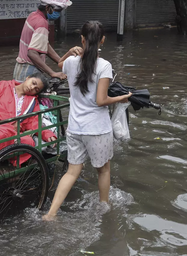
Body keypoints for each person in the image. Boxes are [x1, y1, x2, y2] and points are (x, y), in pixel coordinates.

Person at [42, 21, 132, 221]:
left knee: (72, 172)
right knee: (103, 170)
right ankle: (104, 208)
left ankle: (51, 214)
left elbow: (59, 65)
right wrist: (122, 98)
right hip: (97, 129)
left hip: (75, 128)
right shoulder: (104, 66)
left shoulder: (72, 62)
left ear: (81, 39)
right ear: (102, 40)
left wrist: (68, 52)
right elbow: (101, 101)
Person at [13, 0, 79, 82]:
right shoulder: (42, 23)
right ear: (47, 7)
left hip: (20, 68)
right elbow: (32, 53)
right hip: (29, 70)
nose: (58, 14)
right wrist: (52, 73)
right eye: (57, 11)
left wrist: (61, 62)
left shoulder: (33, 15)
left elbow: (44, 45)